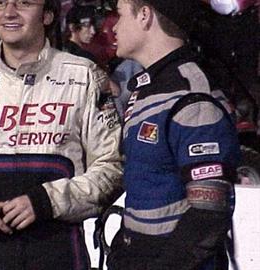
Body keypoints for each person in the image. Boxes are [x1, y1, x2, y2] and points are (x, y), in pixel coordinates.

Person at [0, 0, 123, 269]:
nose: (9, 12)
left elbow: (112, 168)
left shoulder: (84, 76)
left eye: (24, 3)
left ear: (48, 15)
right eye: (0, 3)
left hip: (56, 250)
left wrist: (45, 201)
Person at [107, 0, 241, 269]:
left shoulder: (191, 95)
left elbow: (209, 213)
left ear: (144, 15)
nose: (113, 27)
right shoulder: (149, 87)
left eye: (119, 15)